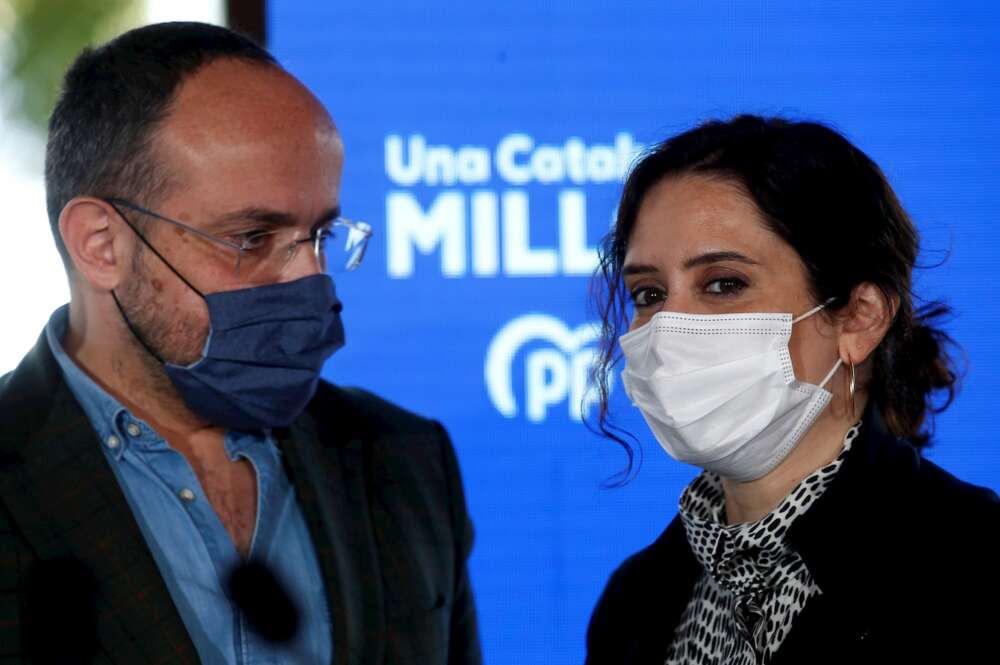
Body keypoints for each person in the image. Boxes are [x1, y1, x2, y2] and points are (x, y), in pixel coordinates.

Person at [0, 22, 480, 665]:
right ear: (101, 244)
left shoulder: (407, 462)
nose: (311, 280)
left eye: (322, 235)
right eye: (252, 238)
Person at [584, 115, 1000, 664]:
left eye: (723, 284)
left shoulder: (976, 566)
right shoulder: (635, 601)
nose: (669, 328)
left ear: (858, 319)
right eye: (648, 293)